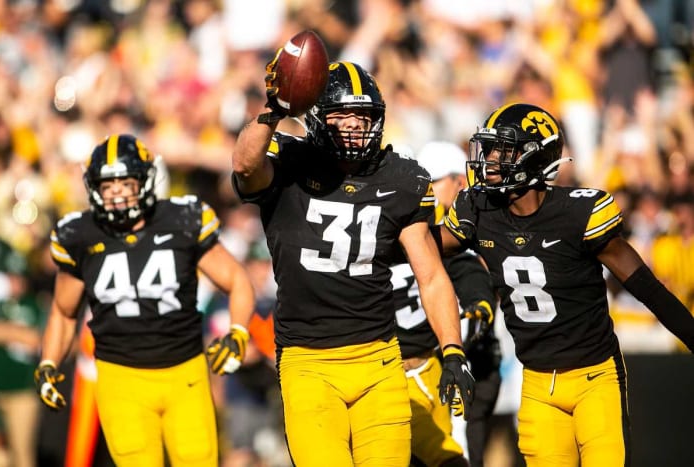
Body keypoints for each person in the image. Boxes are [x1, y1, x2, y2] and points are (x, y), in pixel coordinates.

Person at [230, 59, 474, 466]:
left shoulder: (401, 178)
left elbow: (430, 274)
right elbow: (244, 164)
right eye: (343, 115)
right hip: (308, 361)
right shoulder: (288, 162)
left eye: (363, 116)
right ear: (318, 117)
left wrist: (453, 350)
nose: (355, 125)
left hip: (378, 358)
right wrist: (274, 107)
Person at [440, 102, 694, 467]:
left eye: (503, 149)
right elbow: (427, 248)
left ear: (534, 157)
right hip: (538, 384)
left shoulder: (578, 214)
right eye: (490, 148)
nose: (491, 158)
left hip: (595, 379)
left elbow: (647, 289)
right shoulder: (478, 208)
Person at [34, 134, 256, 467]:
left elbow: (236, 280)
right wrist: (49, 362)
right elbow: (64, 312)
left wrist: (238, 330)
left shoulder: (182, 220)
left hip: (185, 372)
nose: (117, 193)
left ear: (146, 180)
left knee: (198, 460)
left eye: (125, 182)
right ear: (94, 189)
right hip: (120, 377)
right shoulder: (79, 235)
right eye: (108, 186)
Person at [391, 142, 501, 467]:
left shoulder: (455, 226)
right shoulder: (386, 222)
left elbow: (471, 278)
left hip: (449, 365)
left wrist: (475, 313)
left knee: (455, 453)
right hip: (396, 364)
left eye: (433, 181)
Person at [0, 236, 42, 467]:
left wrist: (5, 331)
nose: (14, 282)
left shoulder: (30, 304)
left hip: (21, 389)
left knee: (23, 456)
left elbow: (34, 338)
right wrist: (13, 332)